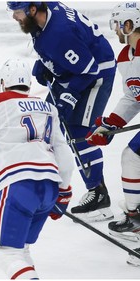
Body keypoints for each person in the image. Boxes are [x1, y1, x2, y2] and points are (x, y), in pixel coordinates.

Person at [0, 58, 75, 279]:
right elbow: (64, 156)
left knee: (8, 254)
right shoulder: (48, 108)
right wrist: (64, 190)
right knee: (21, 249)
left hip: (19, 186)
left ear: (3, 82)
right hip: (50, 186)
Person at [6, 2, 117, 222]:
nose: (14, 17)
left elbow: (89, 70)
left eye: (17, 12)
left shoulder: (59, 33)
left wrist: (70, 96)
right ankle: (46, 184)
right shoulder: (46, 15)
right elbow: (65, 49)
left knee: (78, 132)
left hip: (95, 74)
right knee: (48, 120)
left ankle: (99, 196)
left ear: (32, 10)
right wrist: (47, 63)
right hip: (76, 70)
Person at [85, 2, 140, 266]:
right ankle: (135, 218)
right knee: (132, 158)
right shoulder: (125, 56)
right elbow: (133, 97)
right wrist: (111, 124)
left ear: (130, 24)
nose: (116, 29)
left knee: (132, 157)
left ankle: (135, 220)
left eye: (119, 24)